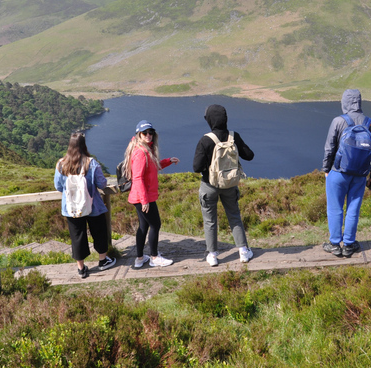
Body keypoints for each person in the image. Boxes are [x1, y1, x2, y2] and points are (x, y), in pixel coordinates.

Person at [192, 104, 255, 267]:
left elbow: (196, 167)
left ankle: (212, 255)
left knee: (210, 220)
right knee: (234, 217)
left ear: (210, 120)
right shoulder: (234, 136)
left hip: (209, 185)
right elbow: (250, 155)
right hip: (230, 184)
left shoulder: (205, 140)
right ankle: (243, 251)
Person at [322, 89, 371, 258]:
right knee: (353, 208)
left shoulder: (338, 121)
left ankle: (334, 245)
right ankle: (349, 245)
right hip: (360, 175)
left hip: (338, 172)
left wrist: (326, 170)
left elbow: (329, 148)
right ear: (359, 102)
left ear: (345, 102)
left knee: (335, 208)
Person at [54, 132, 116, 278]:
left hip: (71, 209)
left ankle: (81, 268)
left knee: (77, 236)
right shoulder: (91, 163)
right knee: (99, 232)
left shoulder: (61, 164)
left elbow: (58, 186)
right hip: (93, 206)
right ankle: (102, 261)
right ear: (84, 145)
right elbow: (102, 183)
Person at [122, 120, 179, 268]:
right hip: (143, 197)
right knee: (155, 225)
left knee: (143, 227)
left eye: (150, 132)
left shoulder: (145, 149)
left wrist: (168, 161)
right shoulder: (141, 152)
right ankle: (154, 257)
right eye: (145, 133)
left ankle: (140, 259)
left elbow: (153, 167)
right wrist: (145, 200)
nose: (148, 135)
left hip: (140, 196)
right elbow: (138, 177)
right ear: (139, 135)